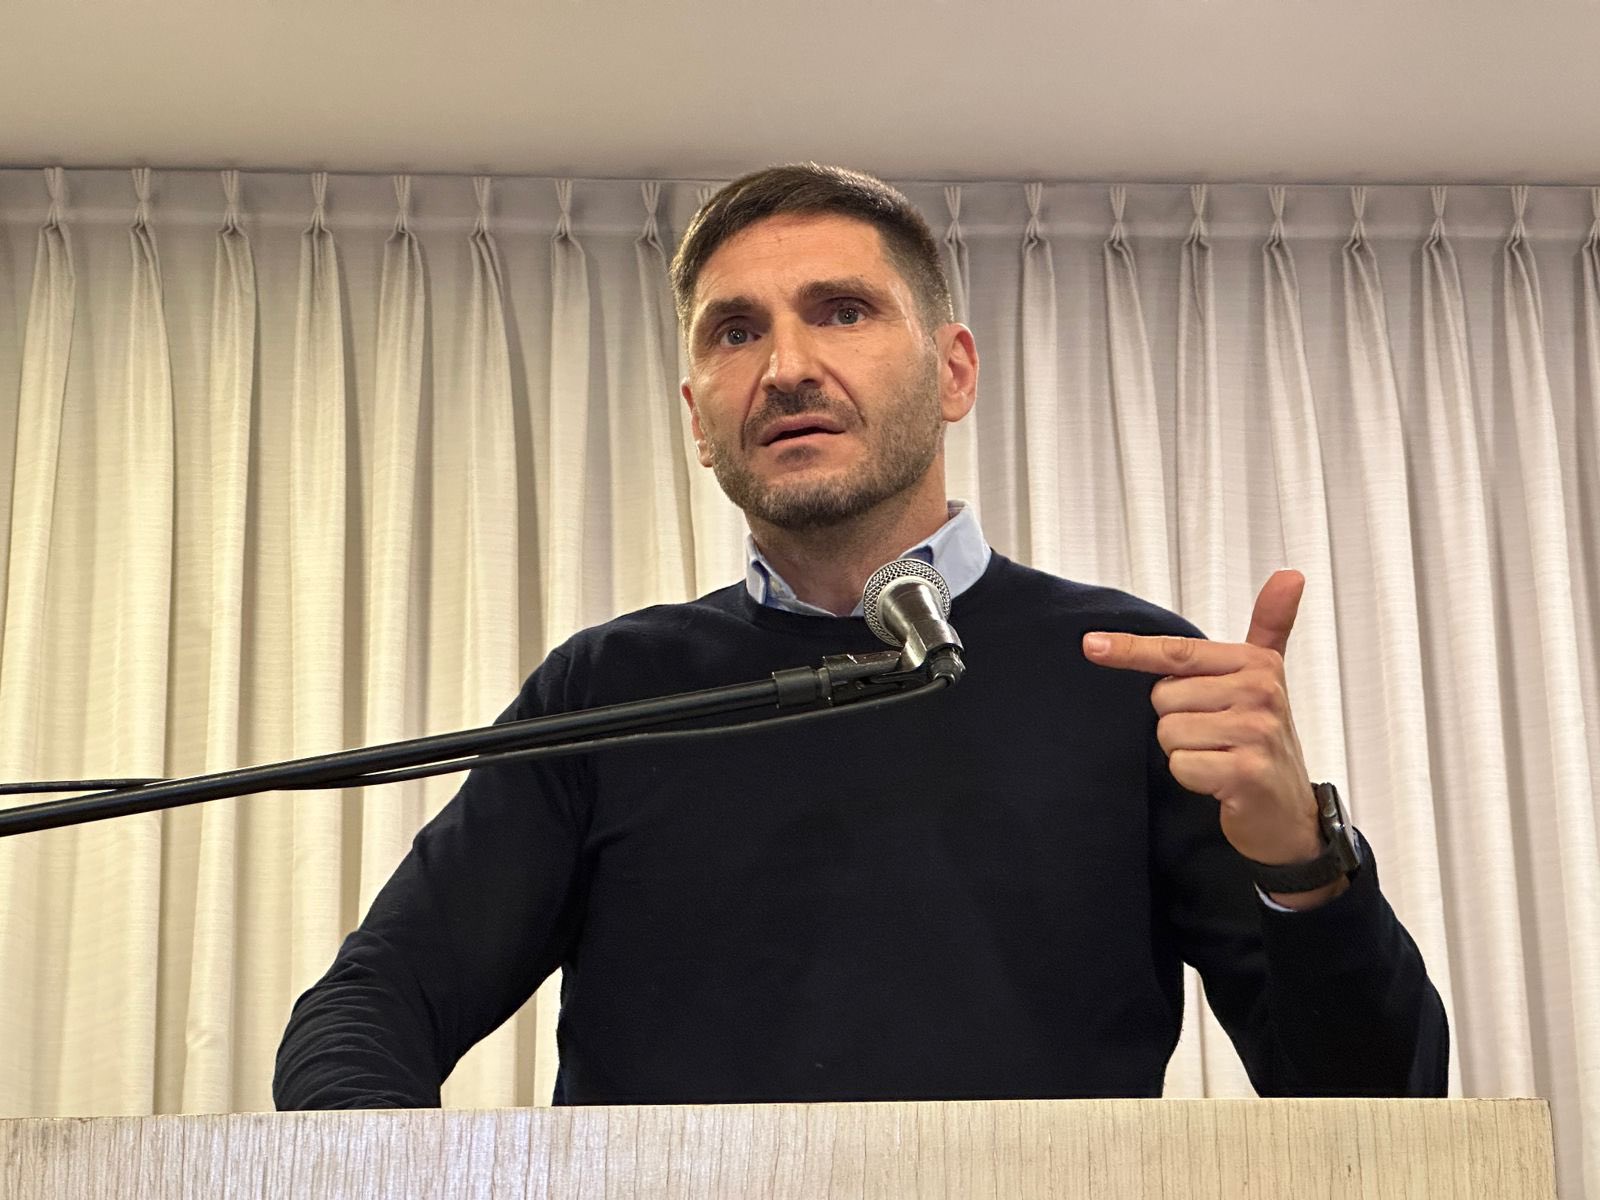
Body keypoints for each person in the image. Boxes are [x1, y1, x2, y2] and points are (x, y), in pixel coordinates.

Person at [273, 164, 1448, 1109]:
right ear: (699, 422)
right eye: (736, 332)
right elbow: (366, 1011)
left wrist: (1300, 861)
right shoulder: (610, 689)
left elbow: (1376, 1104)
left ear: (952, 371)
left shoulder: (1132, 670)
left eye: (842, 311)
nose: (787, 367)